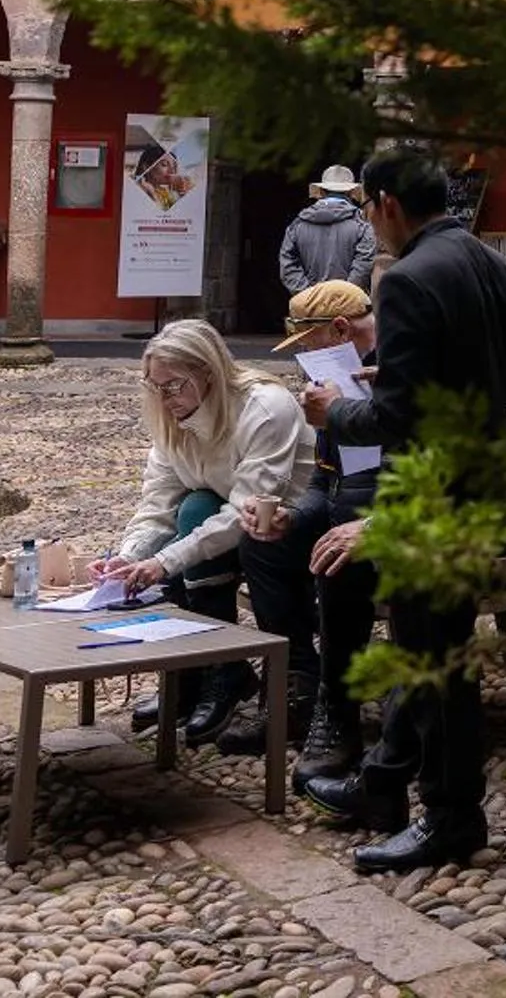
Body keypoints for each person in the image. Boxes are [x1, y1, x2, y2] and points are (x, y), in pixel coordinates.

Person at [294, 146, 506, 873]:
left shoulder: (407, 279)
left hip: (431, 496)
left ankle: (451, 819)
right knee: (432, 651)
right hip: (485, 483)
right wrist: (393, 373)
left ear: (386, 202)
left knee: (435, 664)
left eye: (369, 207)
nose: (371, 221)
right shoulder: (493, 265)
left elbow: (398, 418)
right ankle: (385, 784)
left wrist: (336, 411)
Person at [98, 319, 311, 746]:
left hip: (286, 527)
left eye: (174, 386)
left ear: (208, 373)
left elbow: (245, 509)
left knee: (196, 528)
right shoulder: (169, 416)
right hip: (225, 520)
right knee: (186, 518)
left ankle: (229, 669)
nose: (164, 398)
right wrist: (131, 554)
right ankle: (193, 672)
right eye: (154, 387)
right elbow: (158, 499)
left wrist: (163, 560)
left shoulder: (265, 407)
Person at [229, 279, 384, 771]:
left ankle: (336, 713)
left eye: (308, 346)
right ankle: (299, 683)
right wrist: (292, 517)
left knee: (337, 559)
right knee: (261, 546)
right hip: (345, 511)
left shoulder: (393, 377)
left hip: (400, 520)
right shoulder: (329, 388)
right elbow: (327, 481)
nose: (304, 361)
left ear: (339, 330)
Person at [278, 164, 378, 296]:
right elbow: (364, 265)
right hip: (350, 310)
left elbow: (288, 265)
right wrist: (344, 296)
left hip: (308, 310)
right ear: (351, 192)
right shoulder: (363, 226)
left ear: (321, 192)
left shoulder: (297, 225)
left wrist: (308, 294)